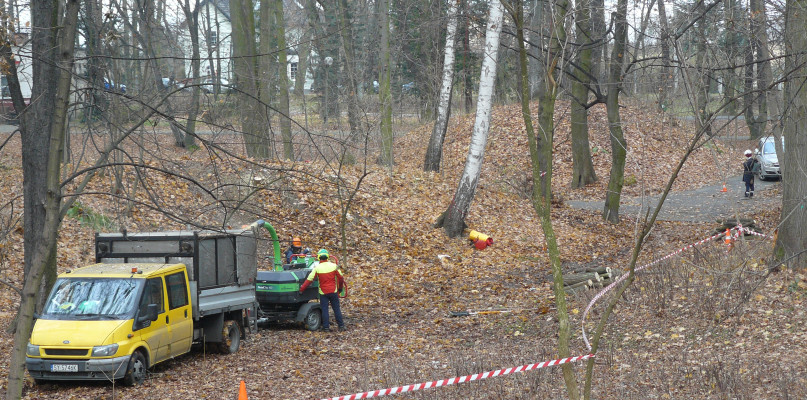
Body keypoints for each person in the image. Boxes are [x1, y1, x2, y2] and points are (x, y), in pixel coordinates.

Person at [299, 248, 346, 331]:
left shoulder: (317, 268)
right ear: (327, 257)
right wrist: (340, 288)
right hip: (333, 291)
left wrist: (302, 289)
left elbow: (309, 280)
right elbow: (341, 278)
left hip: (323, 293)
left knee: (325, 310)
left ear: (318, 257)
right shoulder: (334, 266)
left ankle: (326, 327)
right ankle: (341, 326)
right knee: (336, 309)